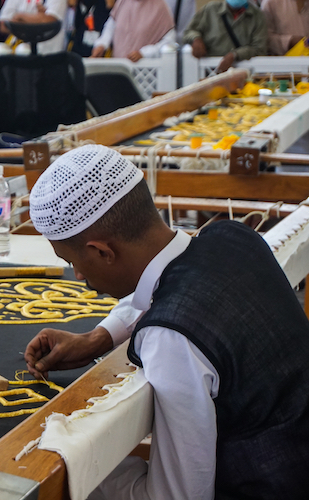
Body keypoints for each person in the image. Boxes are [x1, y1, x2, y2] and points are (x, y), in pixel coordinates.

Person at [25, 144, 309, 498]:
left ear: (102, 251)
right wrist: (101, 337)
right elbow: (176, 287)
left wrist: (85, 458)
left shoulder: (169, 339)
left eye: (73, 262)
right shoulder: (232, 237)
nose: (79, 275)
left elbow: (175, 497)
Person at [182, 0, 268, 73]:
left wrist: (235, 55)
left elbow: (259, 49)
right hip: (209, 71)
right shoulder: (210, 10)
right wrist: (196, 39)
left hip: (243, 74)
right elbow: (189, 31)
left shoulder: (257, 16)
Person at [90, 0, 176, 61]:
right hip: (119, 68)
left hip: (146, 72)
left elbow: (169, 41)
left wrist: (144, 54)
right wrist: (102, 45)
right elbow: (110, 27)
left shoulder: (160, 7)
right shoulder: (122, 2)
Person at [0, 0, 69, 54]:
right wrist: (38, 18)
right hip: (20, 57)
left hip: (49, 57)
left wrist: (21, 16)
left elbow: (50, 20)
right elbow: (3, 25)